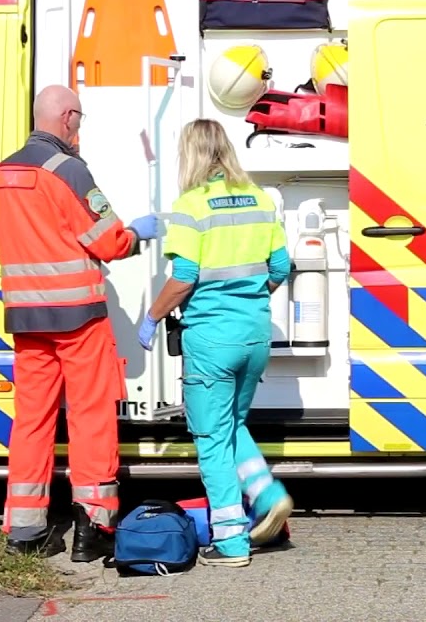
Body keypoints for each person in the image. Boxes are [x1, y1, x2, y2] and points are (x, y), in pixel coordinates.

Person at [0, 84, 166, 562]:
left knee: (32, 420)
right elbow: (108, 241)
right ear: (68, 117)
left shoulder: (6, 172)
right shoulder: (68, 169)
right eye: (80, 120)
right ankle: (93, 527)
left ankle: (24, 530)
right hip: (77, 318)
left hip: (27, 319)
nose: (79, 130)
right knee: (90, 416)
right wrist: (136, 234)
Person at [136, 118, 294, 568]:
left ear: (191, 154)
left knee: (211, 439)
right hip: (255, 335)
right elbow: (281, 268)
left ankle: (230, 542)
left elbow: (184, 278)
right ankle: (268, 494)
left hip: (211, 340)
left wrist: (152, 317)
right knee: (232, 425)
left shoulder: (191, 206)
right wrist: (250, 301)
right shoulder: (260, 199)